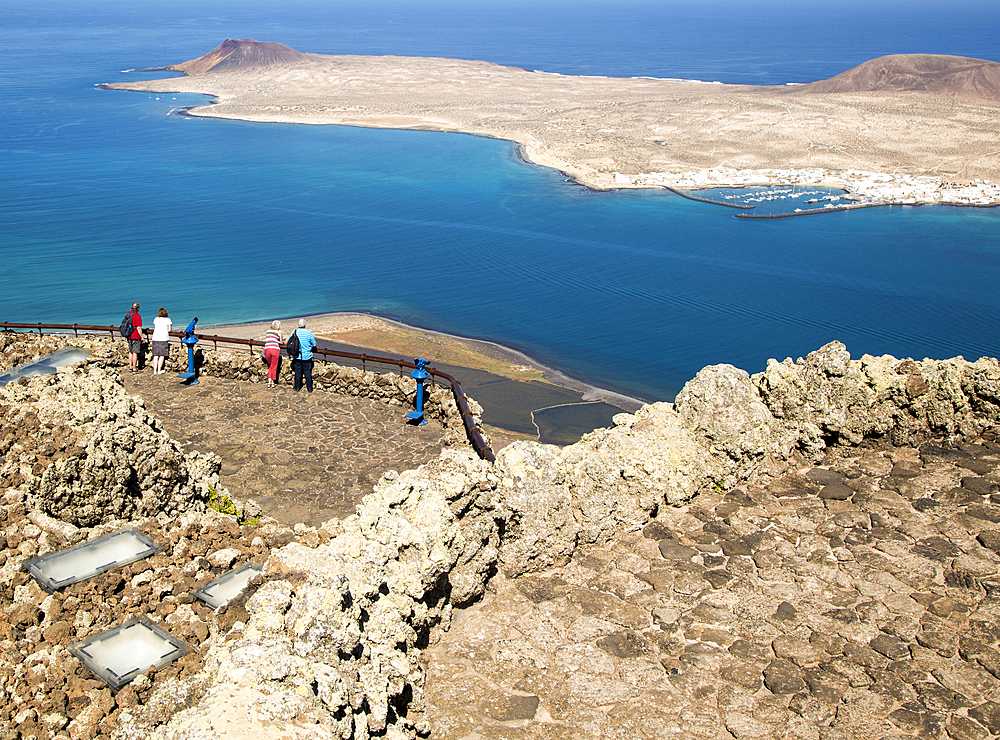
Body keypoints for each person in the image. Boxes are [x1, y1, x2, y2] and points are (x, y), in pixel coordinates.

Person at [289, 318, 317, 392]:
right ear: (305, 325)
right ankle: (309, 388)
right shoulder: (309, 333)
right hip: (307, 356)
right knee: (307, 372)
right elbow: (314, 344)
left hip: (297, 356)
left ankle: (297, 387)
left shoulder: (294, 332)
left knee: (297, 372)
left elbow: (289, 341)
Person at [150, 307, 172, 375]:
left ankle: (154, 370)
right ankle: (159, 370)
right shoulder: (168, 320)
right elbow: (169, 330)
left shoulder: (156, 319)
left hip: (155, 338)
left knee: (155, 355)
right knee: (162, 355)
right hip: (163, 338)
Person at [263, 320, 282, 388]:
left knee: (270, 365)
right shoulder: (278, 331)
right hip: (275, 349)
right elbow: (281, 342)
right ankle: (273, 382)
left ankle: (269, 381)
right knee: (274, 366)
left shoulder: (268, 331)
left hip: (267, 349)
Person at [127, 302, 142, 373]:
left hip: (129, 334)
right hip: (135, 335)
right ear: (138, 309)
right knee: (135, 352)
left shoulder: (128, 314)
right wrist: (142, 337)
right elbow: (138, 327)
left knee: (130, 351)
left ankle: (130, 366)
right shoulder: (137, 315)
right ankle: (134, 367)